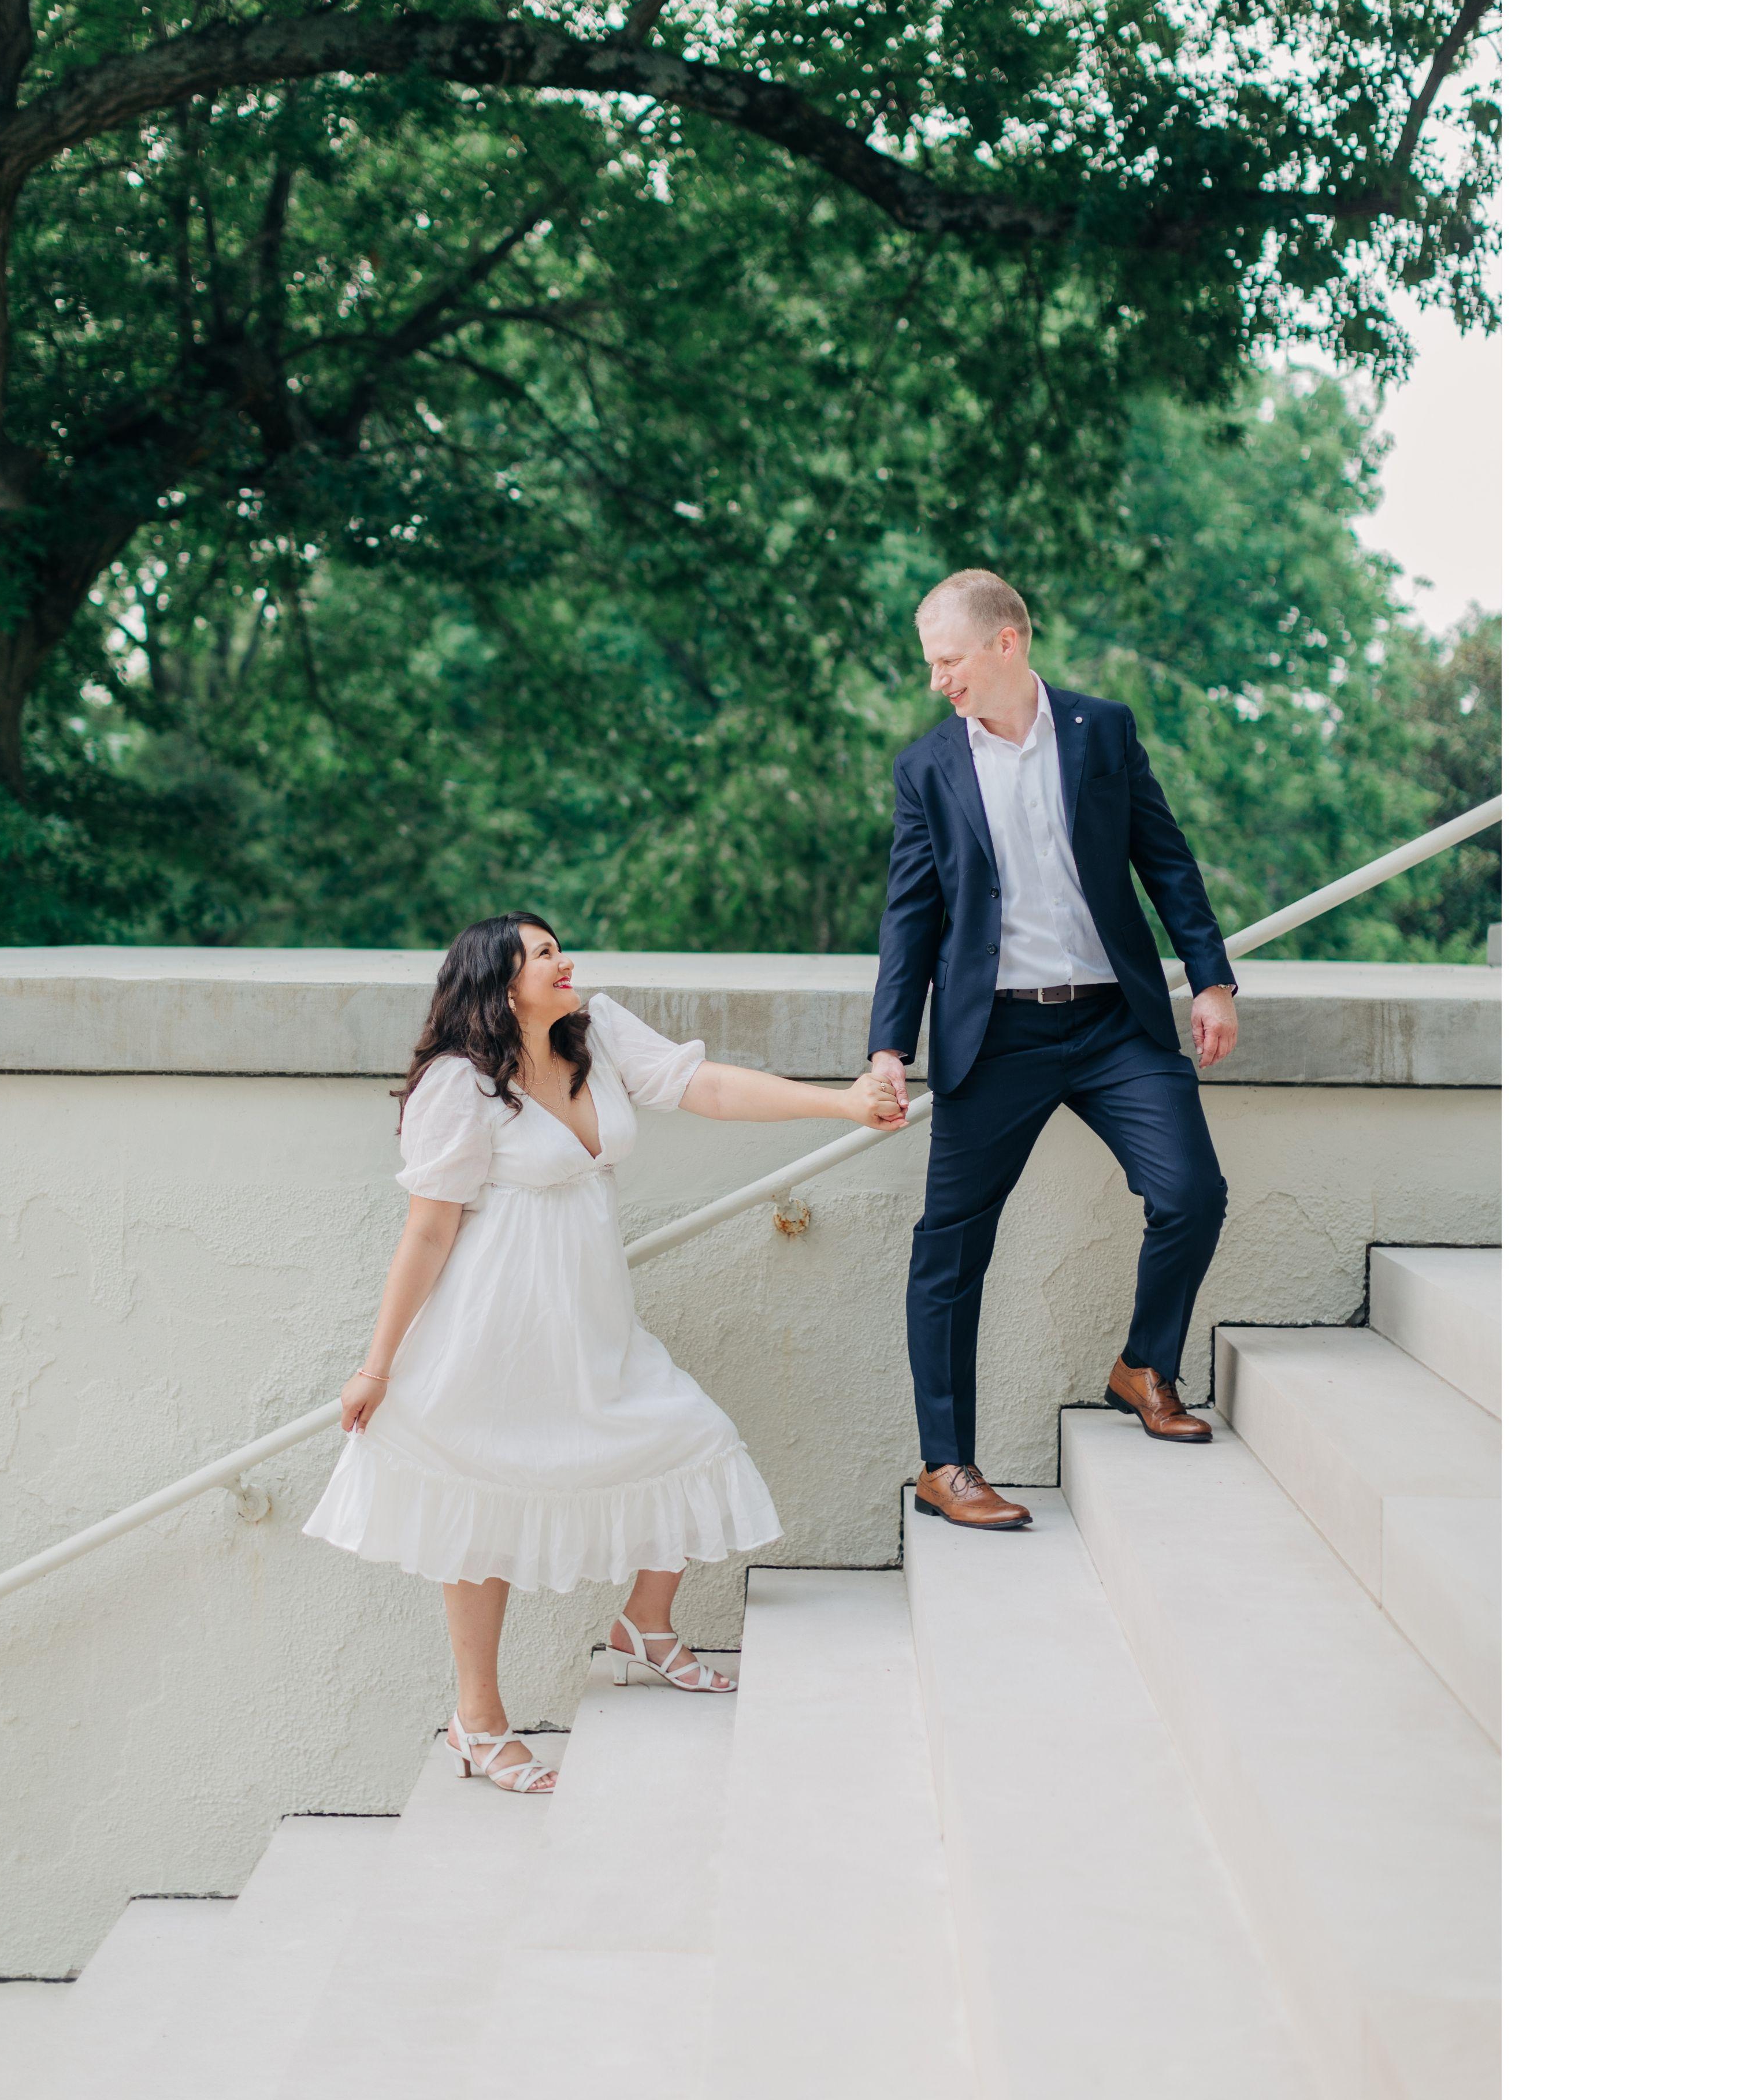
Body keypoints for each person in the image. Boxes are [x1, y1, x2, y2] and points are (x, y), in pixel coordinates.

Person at [307, 911, 906, 1793]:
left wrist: (840, 1104)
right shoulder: (460, 1084)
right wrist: (377, 1366)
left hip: (592, 1324)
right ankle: (478, 1723)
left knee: (691, 1438)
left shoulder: (599, 1033)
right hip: (494, 1334)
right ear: (499, 980)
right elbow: (428, 1235)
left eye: (560, 949)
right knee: (484, 1520)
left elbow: (706, 1088)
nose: (566, 962)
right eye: (545, 954)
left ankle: (644, 1627)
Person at [867, 571, 1241, 1532]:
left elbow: (1166, 857)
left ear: (1007, 644)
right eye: (930, 665)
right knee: (949, 1251)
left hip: (1115, 1020)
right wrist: (888, 1049)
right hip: (996, 1036)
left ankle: (1145, 1366)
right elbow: (910, 920)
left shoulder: (1101, 731)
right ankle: (946, 1466)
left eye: (947, 661)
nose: (936, 682)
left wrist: (1211, 978)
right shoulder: (928, 769)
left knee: (1192, 1193)